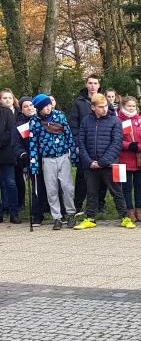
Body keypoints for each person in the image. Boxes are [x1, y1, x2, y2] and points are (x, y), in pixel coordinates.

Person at [73, 93, 134, 230]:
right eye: (101, 107)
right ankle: (90, 218)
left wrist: (103, 161)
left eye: (106, 106)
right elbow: (81, 143)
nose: (104, 109)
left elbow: (116, 143)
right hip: (90, 165)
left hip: (109, 164)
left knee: (117, 191)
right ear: (93, 107)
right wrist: (89, 161)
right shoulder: (86, 121)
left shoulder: (115, 121)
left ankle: (125, 217)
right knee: (91, 192)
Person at [28, 94, 78, 230]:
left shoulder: (59, 116)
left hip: (63, 156)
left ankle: (71, 214)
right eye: (45, 106)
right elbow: (33, 144)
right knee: (51, 190)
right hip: (47, 159)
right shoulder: (34, 121)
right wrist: (34, 164)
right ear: (39, 108)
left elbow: (68, 135)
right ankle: (57, 217)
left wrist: (74, 157)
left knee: (67, 187)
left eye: (49, 104)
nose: (48, 108)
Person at [70, 74, 103, 213]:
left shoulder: (103, 101)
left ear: (99, 85)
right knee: (82, 177)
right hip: (84, 145)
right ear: (86, 84)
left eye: (95, 83)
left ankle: (99, 204)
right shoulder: (79, 102)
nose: (92, 86)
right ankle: (78, 204)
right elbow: (74, 125)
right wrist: (77, 144)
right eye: (90, 83)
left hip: (101, 144)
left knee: (102, 176)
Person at [12, 96, 48, 225]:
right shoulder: (19, 126)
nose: (29, 108)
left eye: (31, 105)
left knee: (54, 186)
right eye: (25, 106)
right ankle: (37, 214)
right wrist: (22, 154)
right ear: (21, 110)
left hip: (48, 158)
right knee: (37, 187)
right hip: (32, 160)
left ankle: (58, 212)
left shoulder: (43, 120)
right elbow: (16, 144)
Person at [116, 96, 141, 222]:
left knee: (139, 186)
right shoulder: (117, 120)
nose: (131, 108)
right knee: (126, 187)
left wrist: (139, 146)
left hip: (139, 159)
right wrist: (128, 145)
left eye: (133, 106)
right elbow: (116, 139)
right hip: (124, 159)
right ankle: (129, 209)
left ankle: (139, 209)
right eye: (129, 106)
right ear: (123, 106)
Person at [0, 90, 20, 223]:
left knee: (10, 183)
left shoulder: (7, 113)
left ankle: (14, 213)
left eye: (9, 98)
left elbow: (11, 131)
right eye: (4, 98)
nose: (7, 100)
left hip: (6, 153)